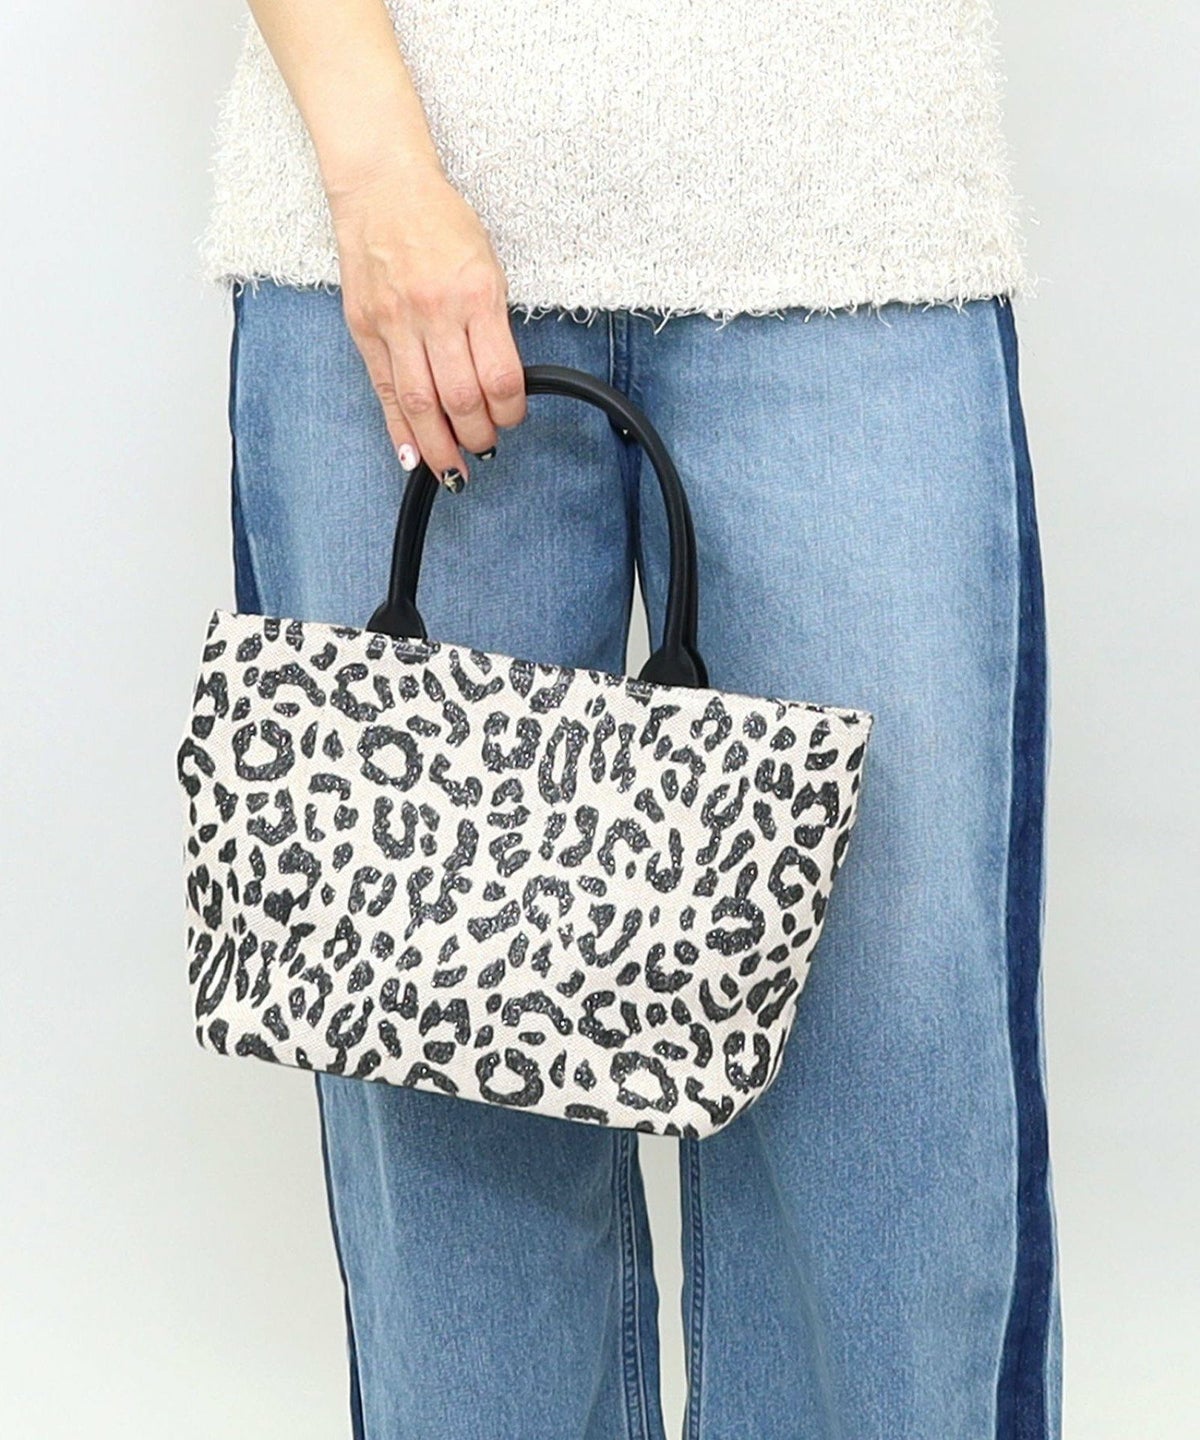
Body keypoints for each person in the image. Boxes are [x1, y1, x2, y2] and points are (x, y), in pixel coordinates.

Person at [199, 2, 1061, 1436]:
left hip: (859, 216)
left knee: (888, 1080)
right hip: (378, 230)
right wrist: (381, 176)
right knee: (439, 1076)